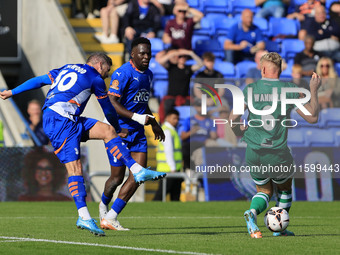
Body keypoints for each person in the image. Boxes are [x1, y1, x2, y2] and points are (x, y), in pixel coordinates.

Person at [0, 52, 166, 236]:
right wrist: (118, 126)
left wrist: (12, 92)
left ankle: (136, 169)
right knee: (75, 167)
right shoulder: (95, 78)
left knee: (107, 131)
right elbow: (109, 110)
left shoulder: (67, 67)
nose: (106, 75)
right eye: (107, 71)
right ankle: (84, 216)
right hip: (60, 121)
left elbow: (39, 81)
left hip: (69, 118)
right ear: (100, 65)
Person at [229, 52, 321, 238]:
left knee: (263, 190)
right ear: (280, 69)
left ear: (262, 69)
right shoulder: (289, 89)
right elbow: (312, 117)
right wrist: (313, 90)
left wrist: (241, 132)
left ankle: (252, 213)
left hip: (253, 150)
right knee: (285, 189)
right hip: (277, 151)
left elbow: (232, 120)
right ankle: (280, 229)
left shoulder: (249, 89)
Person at [99, 37, 165, 230]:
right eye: (142, 53)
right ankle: (103, 205)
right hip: (119, 131)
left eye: (149, 53)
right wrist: (137, 118)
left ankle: (111, 216)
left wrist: (153, 123)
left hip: (137, 133)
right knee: (116, 178)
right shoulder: (123, 73)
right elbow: (111, 102)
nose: (146, 56)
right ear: (133, 54)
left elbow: (141, 104)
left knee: (139, 175)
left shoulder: (149, 74)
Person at [157, 48, 203, 123]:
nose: (182, 58)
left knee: (194, 108)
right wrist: (174, 53)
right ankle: (163, 126)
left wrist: (190, 53)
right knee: (165, 107)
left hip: (184, 98)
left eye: (184, 57)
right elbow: (160, 61)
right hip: (171, 97)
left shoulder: (189, 69)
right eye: (180, 56)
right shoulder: (171, 67)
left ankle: (192, 125)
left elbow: (201, 64)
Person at [153, 109, 183, 201]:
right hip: (168, 170)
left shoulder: (171, 130)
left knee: (175, 196)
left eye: (177, 118)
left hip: (172, 169)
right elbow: (168, 150)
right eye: (174, 118)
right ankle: (150, 211)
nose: (176, 121)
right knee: (161, 195)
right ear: (167, 118)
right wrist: (173, 168)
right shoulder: (167, 131)